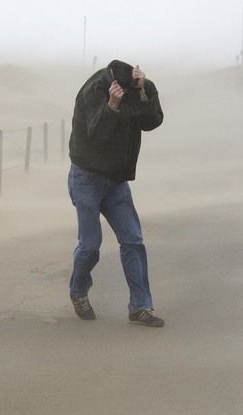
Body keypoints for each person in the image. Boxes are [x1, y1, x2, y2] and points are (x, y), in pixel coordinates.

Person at [67, 59, 164, 327]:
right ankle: (78, 289)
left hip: (117, 181)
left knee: (133, 240)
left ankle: (140, 307)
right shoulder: (94, 91)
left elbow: (152, 121)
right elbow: (95, 137)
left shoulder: (139, 87)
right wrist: (112, 106)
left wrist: (143, 93)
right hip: (86, 177)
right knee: (90, 246)